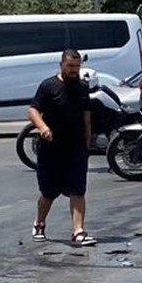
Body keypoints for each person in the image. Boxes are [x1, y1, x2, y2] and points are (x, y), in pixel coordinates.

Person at [27, 49, 97, 246]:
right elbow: (32, 110)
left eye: (77, 66)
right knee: (49, 192)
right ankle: (39, 223)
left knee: (78, 190)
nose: (74, 70)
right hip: (51, 149)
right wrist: (43, 127)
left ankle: (78, 231)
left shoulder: (83, 88)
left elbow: (86, 119)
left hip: (75, 148)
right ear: (61, 65)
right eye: (70, 66)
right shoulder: (48, 86)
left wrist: (86, 145)